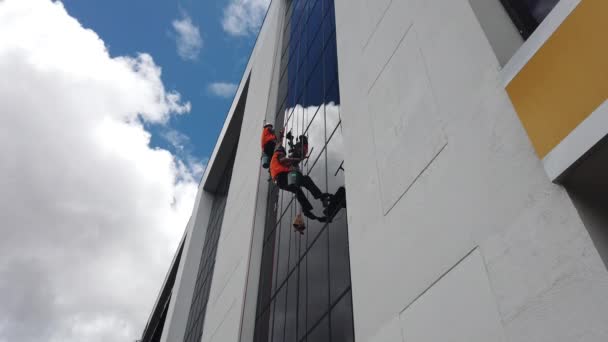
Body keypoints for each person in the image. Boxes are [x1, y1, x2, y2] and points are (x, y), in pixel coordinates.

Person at [270, 143, 331, 222]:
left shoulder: (274, 163)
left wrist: (299, 159)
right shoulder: (278, 153)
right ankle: (321, 197)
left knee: (297, 190)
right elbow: (283, 160)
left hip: (280, 183)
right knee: (305, 179)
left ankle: (306, 210)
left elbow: (287, 163)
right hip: (284, 177)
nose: (284, 155)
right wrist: (296, 159)